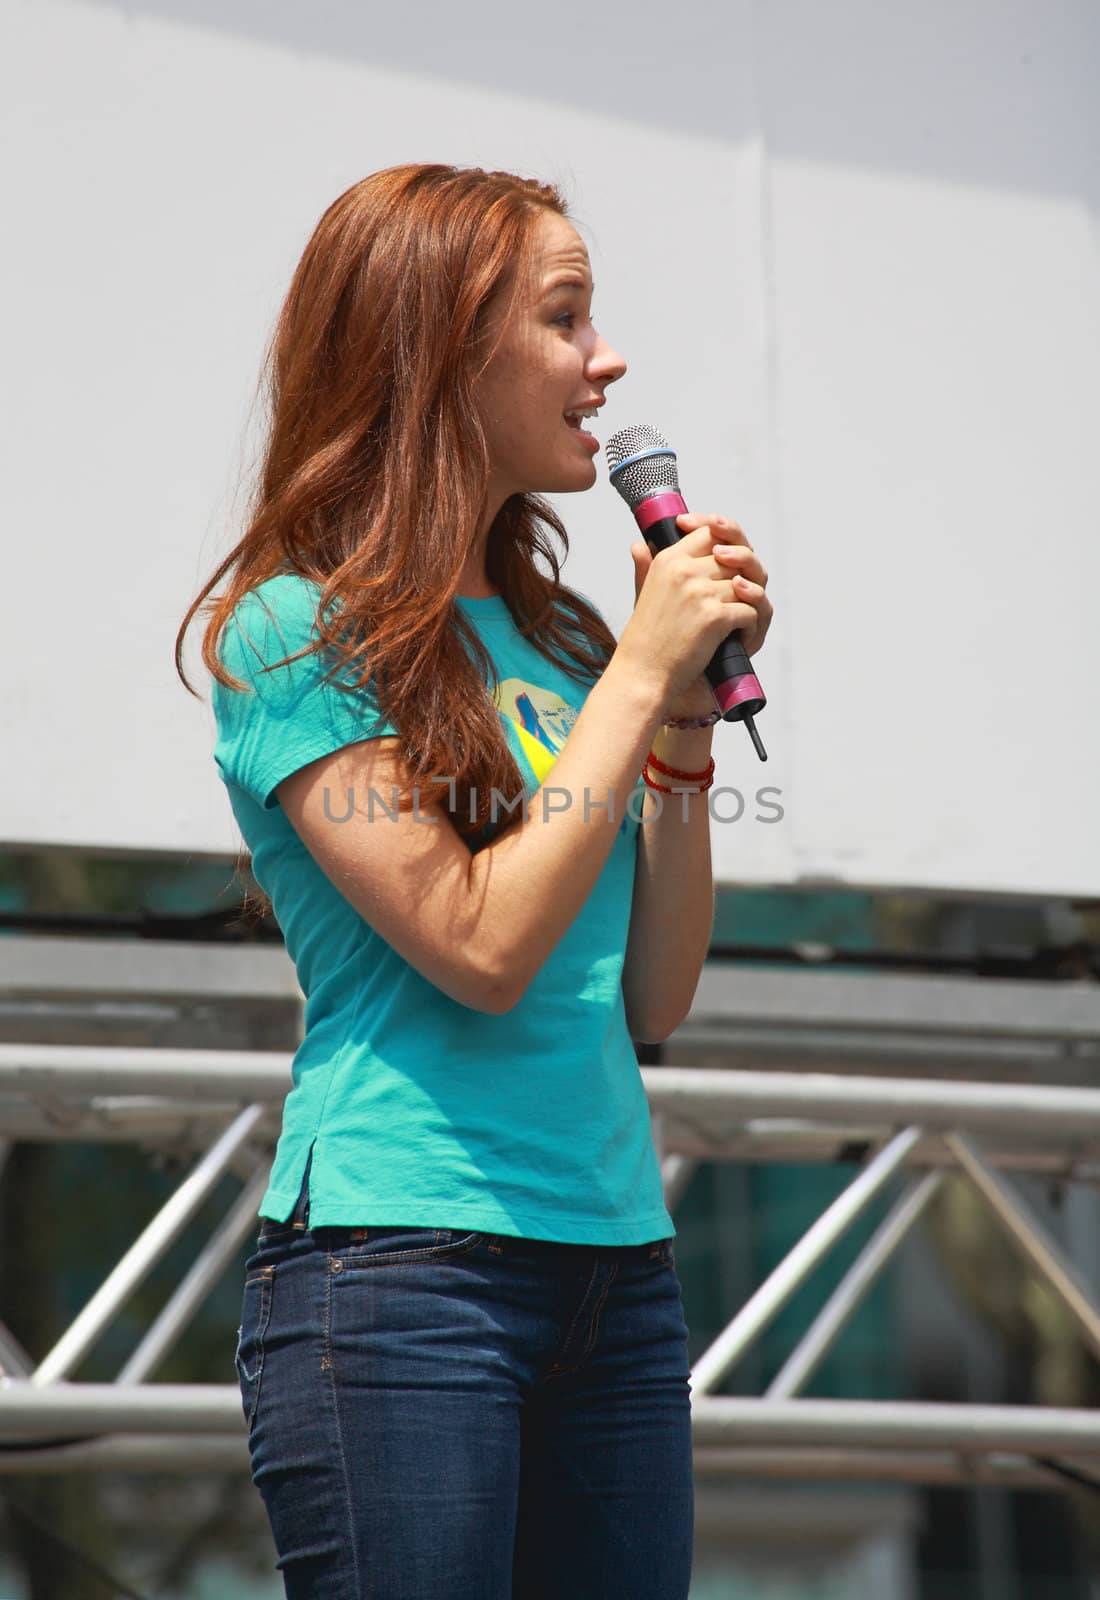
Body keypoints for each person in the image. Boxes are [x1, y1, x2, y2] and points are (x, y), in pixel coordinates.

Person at [176, 162, 772, 1600]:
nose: (606, 360)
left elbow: (654, 994)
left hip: (617, 1266)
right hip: (401, 1273)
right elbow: (478, 943)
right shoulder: (289, 633)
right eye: (567, 320)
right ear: (440, 350)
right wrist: (638, 676)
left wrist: (679, 722)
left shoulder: (567, 643)